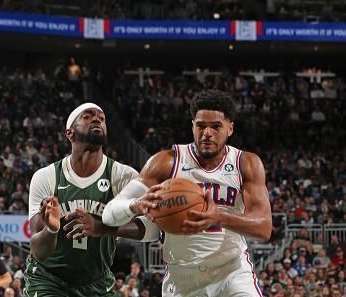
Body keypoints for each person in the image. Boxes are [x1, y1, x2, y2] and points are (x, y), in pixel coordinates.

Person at [102, 90, 272, 297]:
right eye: (201, 126)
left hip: (231, 272)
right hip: (182, 278)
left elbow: (264, 228)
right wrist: (134, 205)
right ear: (192, 126)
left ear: (230, 128)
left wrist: (220, 217)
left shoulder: (246, 163)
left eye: (216, 126)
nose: (207, 133)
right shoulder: (166, 162)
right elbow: (109, 213)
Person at [23, 102, 145, 297]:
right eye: (87, 116)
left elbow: (148, 229)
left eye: (101, 117)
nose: (97, 118)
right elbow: (38, 251)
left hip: (97, 281)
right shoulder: (46, 177)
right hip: (49, 279)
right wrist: (52, 229)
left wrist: (101, 227)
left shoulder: (124, 176)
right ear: (69, 133)